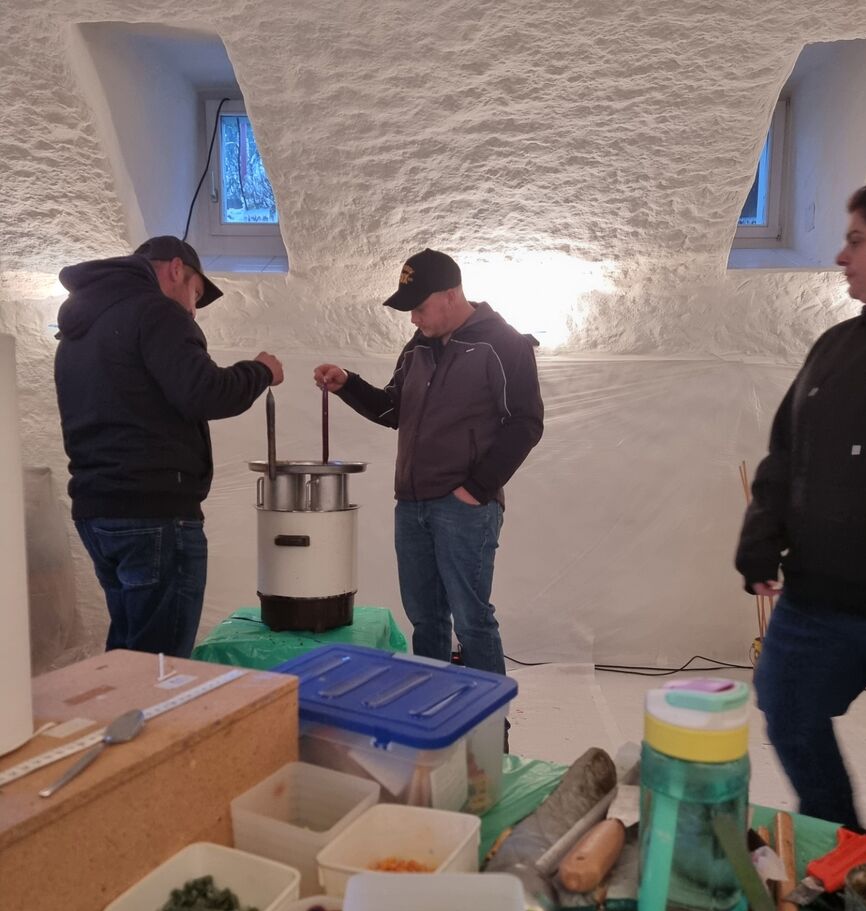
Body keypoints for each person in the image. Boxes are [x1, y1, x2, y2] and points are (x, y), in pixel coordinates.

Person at [736, 176, 866, 829]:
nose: (841, 255)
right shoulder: (837, 346)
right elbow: (786, 452)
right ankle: (844, 842)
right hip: (819, 600)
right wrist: (760, 536)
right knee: (787, 708)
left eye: (857, 240)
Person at [314, 248, 543, 680]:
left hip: (465, 508)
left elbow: (526, 423)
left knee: (472, 621)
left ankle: (491, 717)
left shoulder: (504, 344)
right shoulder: (417, 348)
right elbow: (393, 410)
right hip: (412, 505)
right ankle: (433, 706)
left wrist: (476, 489)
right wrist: (348, 384)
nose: (413, 319)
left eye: (419, 308)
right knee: (426, 620)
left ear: (451, 295)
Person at [54, 235, 284, 658]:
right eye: (195, 293)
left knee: (129, 654)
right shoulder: (158, 312)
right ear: (176, 270)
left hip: (96, 511)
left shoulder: (80, 327)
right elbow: (206, 393)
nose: (192, 309)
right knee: (161, 666)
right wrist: (260, 371)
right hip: (154, 513)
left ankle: (119, 703)